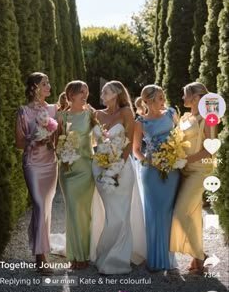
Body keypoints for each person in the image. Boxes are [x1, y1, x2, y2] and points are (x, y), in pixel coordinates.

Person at [90, 81, 146, 274]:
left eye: (106, 91)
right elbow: (89, 139)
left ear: (116, 94)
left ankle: (117, 259)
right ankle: (103, 252)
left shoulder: (126, 113)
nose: (102, 94)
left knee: (121, 215)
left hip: (122, 167)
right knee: (110, 214)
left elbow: (128, 144)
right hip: (99, 167)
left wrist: (118, 167)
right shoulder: (96, 114)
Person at [133, 85, 180, 271]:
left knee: (168, 213)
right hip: (151, 171)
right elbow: (136, 151)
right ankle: (155, 260)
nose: (163, 100)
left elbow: (180, 136)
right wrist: (153, 162)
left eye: (163, 96)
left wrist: (176, 155)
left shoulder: (171, 114)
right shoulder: (141, 122)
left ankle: (169, 260)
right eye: (159, 97)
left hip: (173, 169)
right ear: (149, 100)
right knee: (153, 214)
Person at [170, 82, 215, 274]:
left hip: (199, 171)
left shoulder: (209, 118)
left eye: (185, 95)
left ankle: (201, 256)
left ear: (196, 98)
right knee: (192, 215)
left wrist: (187, 160)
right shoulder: (187, 116)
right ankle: (198, 259)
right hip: (184, 170)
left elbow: (210, 150)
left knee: (181, 212)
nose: (182, 98)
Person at [15, 72, 58, 274]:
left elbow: (59, 137)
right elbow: (19, 142)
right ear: (34, 87)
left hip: (51, 163)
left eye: (48, 82)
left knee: (46, 209)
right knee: (39, 206)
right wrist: (35, 138)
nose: (49, 85)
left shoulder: (53, 109)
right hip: (33, 163)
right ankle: (41, 257)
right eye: (45, 83)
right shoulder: (23, 111)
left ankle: (39, 248)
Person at [57, 80, 95, 269]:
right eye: (82, 91)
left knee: (85, 212)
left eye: (86, 91)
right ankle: (74, 255)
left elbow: (101, 137)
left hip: (86, 168)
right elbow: (55, 142)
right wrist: (62, 155)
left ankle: (86, 254)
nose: (85, 95)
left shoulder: (91, 114)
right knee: (72, 210)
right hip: (67, 170)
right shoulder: (61, 116)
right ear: (71, 95)